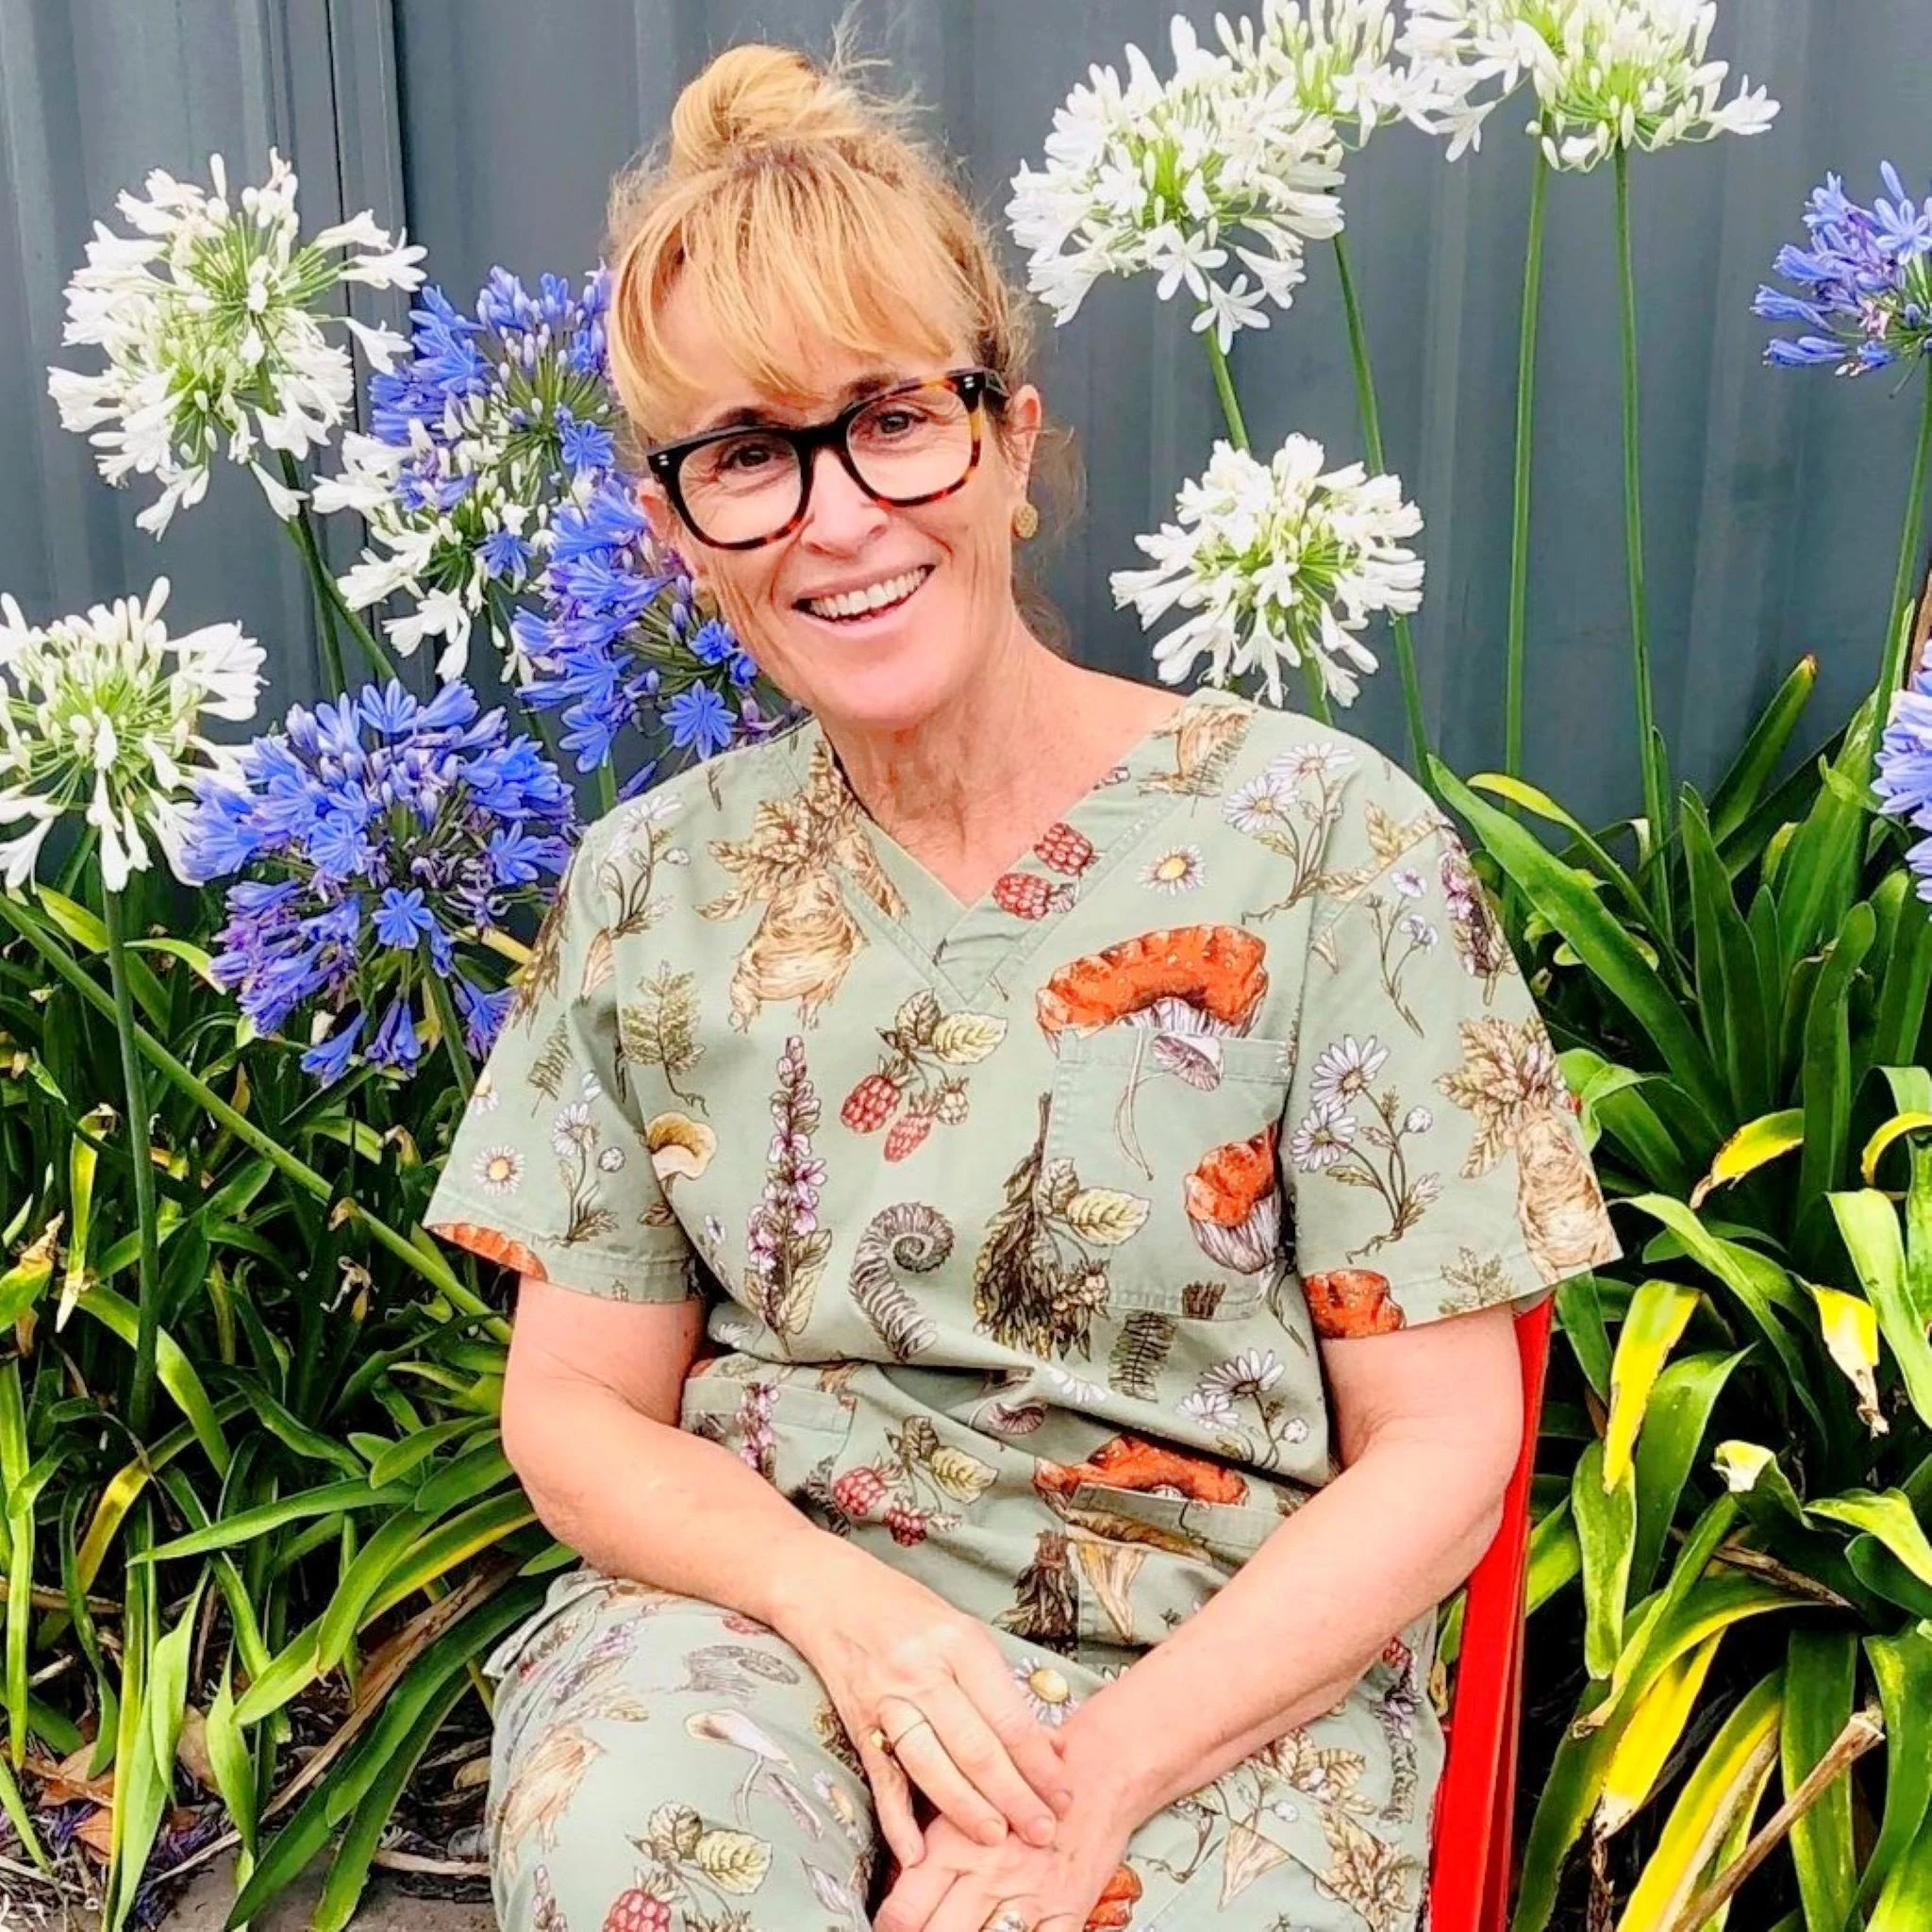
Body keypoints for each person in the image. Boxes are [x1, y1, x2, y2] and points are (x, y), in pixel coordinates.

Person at [423, 41, 1620, 1932]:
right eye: (744, 454)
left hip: (1216, 1667)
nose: (832, 513)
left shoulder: (1316, 843)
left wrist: (1091, 1786)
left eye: (889, 415)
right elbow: (573, 1409)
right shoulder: (654, 885)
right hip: (767, 1628)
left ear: (1007, 436)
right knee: (640, 1862)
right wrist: (853, 1616)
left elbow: (1449, 1446)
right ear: (670, 528)